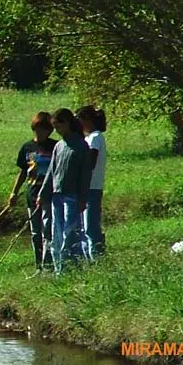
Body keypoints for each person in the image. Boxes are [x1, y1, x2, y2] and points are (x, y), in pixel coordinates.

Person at [36, 108, 93, 274]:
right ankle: (59, 270)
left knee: (70, 233)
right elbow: (51, 172)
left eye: (58, 125)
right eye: (54, 126)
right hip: (57, 195)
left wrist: (83, 197)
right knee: (57, 234)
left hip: (73, 196)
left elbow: (85, 174)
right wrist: (42, 194)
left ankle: (72, 268)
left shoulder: (81, 145)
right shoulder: (59, 146)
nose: (56, 130)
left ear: (67, 123)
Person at [7, 112, 57, 274]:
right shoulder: (27, 147)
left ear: (50, 131)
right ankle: (38, 266)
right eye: (37, 129)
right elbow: (23, 172)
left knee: (48, 230)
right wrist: (14, 193)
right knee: (36, 232)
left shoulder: (56, 146)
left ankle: (48, 264)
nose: (40, 133)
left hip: (50, 195)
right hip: (32, 193)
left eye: (43, 130)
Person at [77, 105, 108, 256]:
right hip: (85, 187)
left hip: (92, 186)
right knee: (83, 227)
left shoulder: (95, 137)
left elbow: (91, 161)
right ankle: (88, 256)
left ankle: (97, 257)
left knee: (91, 226)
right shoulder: (88, 137)